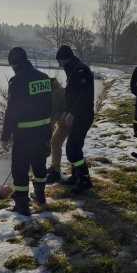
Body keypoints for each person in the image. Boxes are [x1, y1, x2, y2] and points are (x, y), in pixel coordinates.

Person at [1, 47, 52, 215]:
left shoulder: (16, 82)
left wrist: (5, 136)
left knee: (20, 171)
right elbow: (50, 107)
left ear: (14, 64)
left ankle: (22, 206)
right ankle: (40, 197)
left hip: (24, 136)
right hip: (44, 133)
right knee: (39, 167)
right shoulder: (44, 79)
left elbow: (11, 111)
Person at [56, 45, 95, 194]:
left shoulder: (80, 70)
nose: (60, 65)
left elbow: (83, 96)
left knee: (72, 149)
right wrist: (67, 111)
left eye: (60, 61)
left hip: (83, 116)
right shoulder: (73, 70)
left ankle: (84, 180)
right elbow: (71, 95)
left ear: (65, 58)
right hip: (76, 115)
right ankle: (76, 176)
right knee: (75, 146)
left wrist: (72, 113)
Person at [46, 78, 69, 184]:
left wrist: (48, 132)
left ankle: (56, 171)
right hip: (64, 122)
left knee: (56, 143)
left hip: (68, 122)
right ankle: (55, 167)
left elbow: (53, 115)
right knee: (55, 143)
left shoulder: (55, 94)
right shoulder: (60, 91)